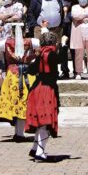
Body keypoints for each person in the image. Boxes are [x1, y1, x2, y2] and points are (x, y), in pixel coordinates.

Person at [0, 24, 39, 142]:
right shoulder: (32, 41)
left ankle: (18, 132)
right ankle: (20, 132)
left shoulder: (6, 42)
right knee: (23, 101)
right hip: (27, 74)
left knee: (16, 101)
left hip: (13, 74)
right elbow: (47, 41)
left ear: (12, 31)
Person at [26, 30, 67, 161]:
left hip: (36, 89)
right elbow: (61, 59)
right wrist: (64, 45)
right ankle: (40, 152)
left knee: (40, 121)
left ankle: (34, 149)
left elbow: (31, 71)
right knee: (46, 122)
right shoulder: (51, 54)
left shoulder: (40, 55)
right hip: (47, 90)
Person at [58, 0, 76, 78]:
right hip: (61, 26)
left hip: (72, 25)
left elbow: (75, 1)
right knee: (62, 49)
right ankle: (65, 71)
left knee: (73, 49)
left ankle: (76, 71)